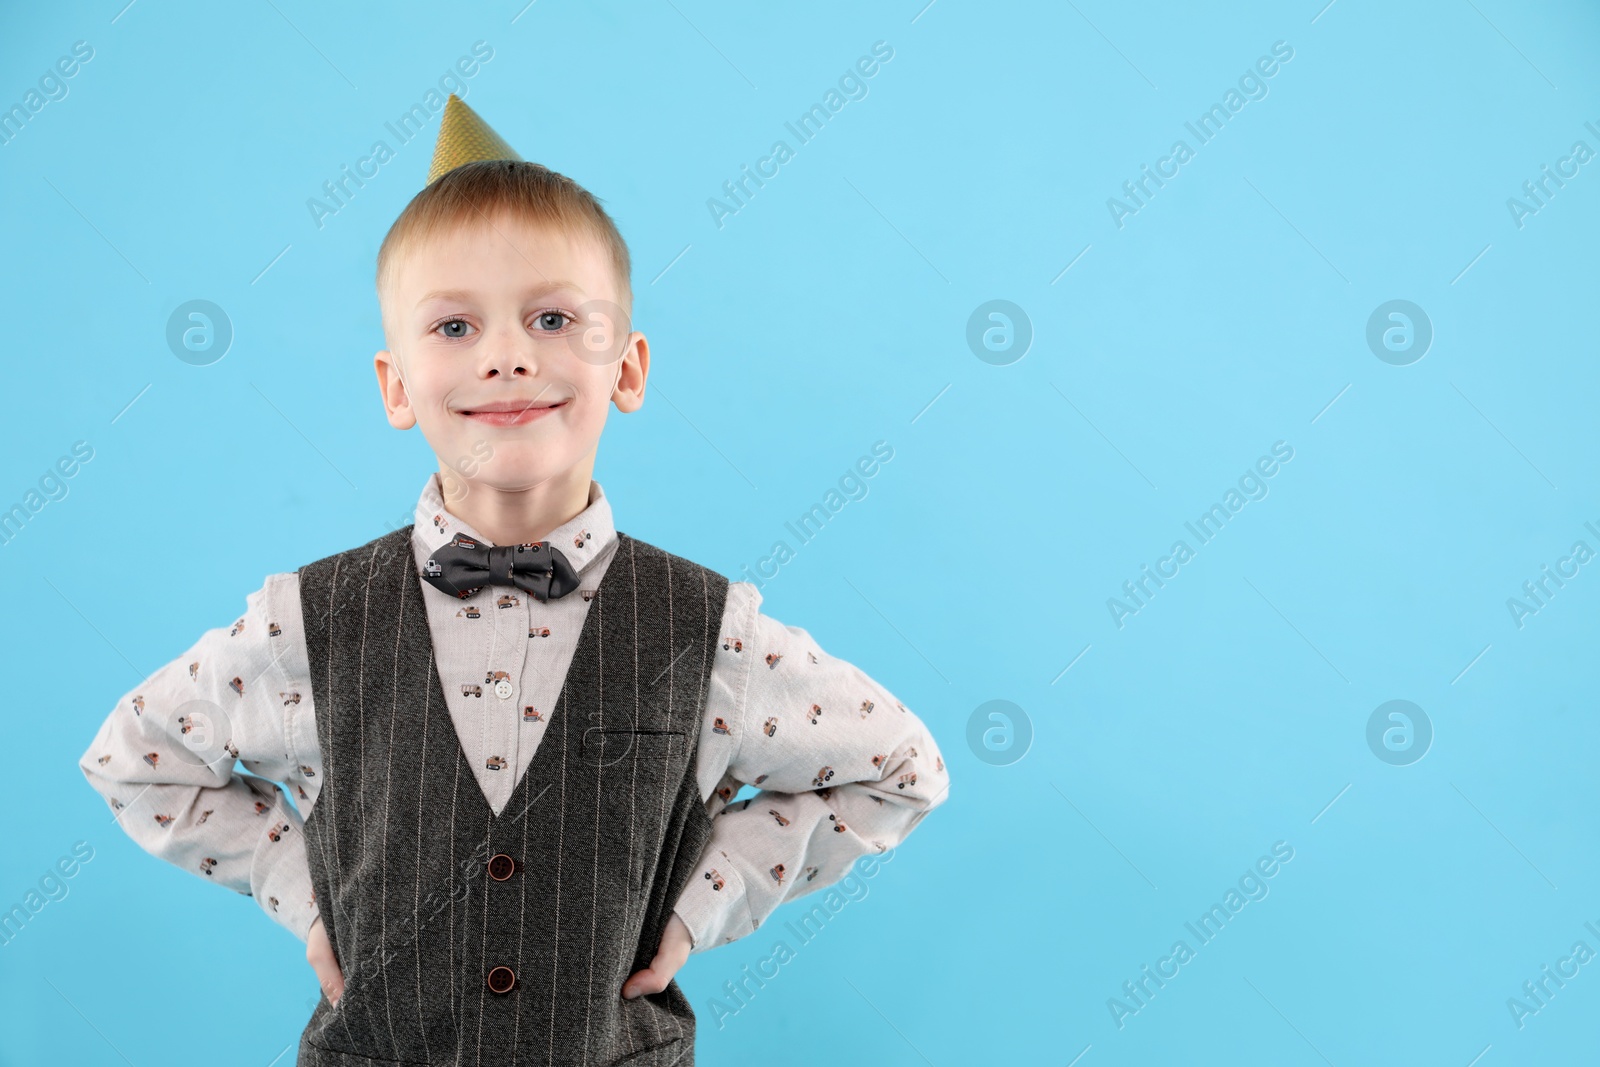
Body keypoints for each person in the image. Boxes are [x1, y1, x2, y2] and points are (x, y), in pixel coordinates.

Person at [77, 94, 950, 1066]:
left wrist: (704, 899)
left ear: (627, 367)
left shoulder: (712, 635)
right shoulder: (305, 625)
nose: (505, 353)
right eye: (453, 325)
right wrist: (303, 893)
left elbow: (897, 767)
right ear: (395, 385)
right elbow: (135, 756)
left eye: (551, 316)